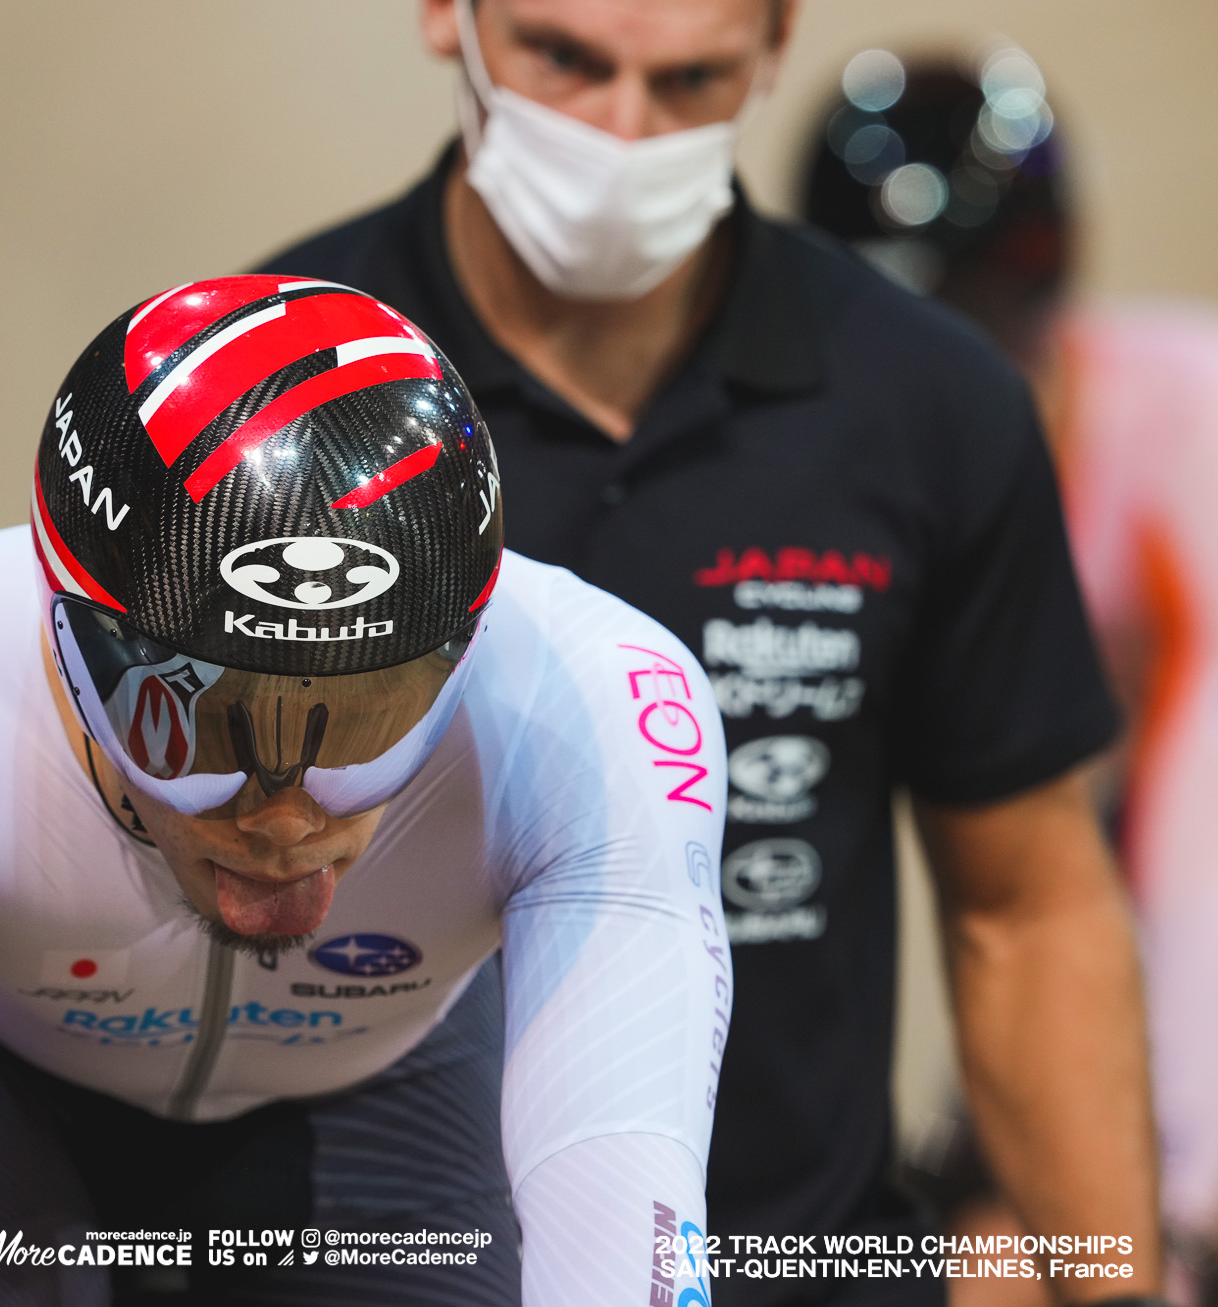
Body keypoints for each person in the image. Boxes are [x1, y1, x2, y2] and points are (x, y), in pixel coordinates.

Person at [254, 1, 1163, 1303]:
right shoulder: (278, 406)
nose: (621, 134)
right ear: (446, 16)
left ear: (777, 43)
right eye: (563, 58)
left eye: (688, 79)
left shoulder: (927, 406)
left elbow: (1029, 910)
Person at [0, 274, 733, 1306]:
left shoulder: (594, 706)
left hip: (380, 1091)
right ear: (69, 641)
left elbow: (624, 1220)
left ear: (464, 652)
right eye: (197, 714)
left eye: (364, 718)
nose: (282, 815)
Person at [801, 50, 1218, 1307]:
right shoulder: (817, 470)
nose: (960, 395)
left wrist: (1179, 1204)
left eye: (990, 336)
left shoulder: (1182, 417)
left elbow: (1195, 813)